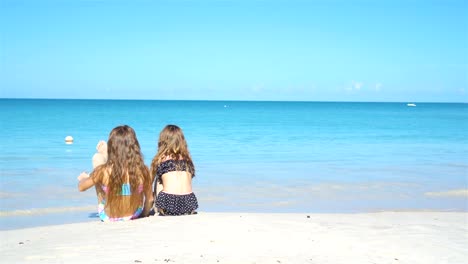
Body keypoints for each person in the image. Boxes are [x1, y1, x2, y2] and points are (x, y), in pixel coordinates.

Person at [77, 125, 153, 221]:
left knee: (98, 177)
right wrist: (143, 215)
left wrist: (84, 178)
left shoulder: (102, 171)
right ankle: (104, 157)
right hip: (133, 214)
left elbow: (81, 188)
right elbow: (150, 200)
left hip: (108, 217)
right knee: (135, 184)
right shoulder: (143, 170)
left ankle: (104, 156)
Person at [150, 124, 198, 216]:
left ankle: (156, 207)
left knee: (159, 177)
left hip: (167, 205)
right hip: (189, 205)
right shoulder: (188, 159)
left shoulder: (160, 159)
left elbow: (148, 183)